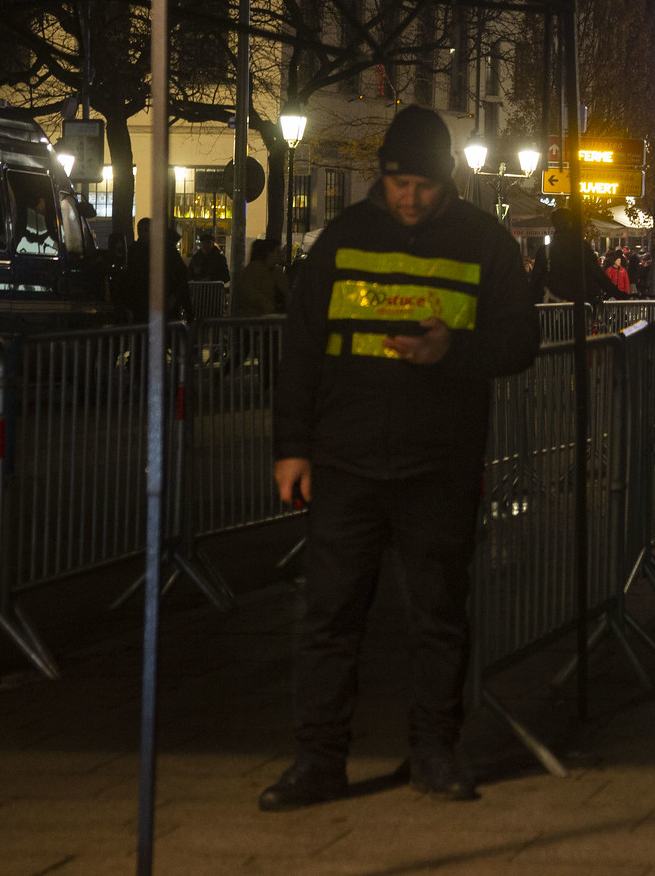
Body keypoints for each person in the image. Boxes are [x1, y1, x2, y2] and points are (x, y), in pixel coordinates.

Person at [264, 107, 538, 811]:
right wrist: (292, 446)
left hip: (437, 462)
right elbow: (302, 347)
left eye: (420, 183)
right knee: (328, 616)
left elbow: (520, 341)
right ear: (380, 177)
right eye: (396, 182)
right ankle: (319, 758)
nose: (408, 196)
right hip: (347, 458)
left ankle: (434, 749)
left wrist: (454, 352)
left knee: (438, 614)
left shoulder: (484, 244)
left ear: (446, 180)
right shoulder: (343, 239)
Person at [124, 217, 194, 320]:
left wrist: (174, 296)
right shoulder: (136, 250)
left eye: (146, 230)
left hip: (158, 301)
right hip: (146, 302)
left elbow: (181, 275)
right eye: (140, 230)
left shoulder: (136, 250)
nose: (142, 234)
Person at [231, 238, 285, 317]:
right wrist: (265, 303)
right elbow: (249, 291)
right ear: (269, 253)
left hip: (263, 318)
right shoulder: (255, 269)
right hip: (255, 319)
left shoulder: (276, 271)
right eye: (277, 252)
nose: (280, 255)